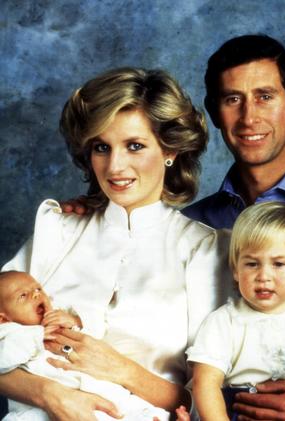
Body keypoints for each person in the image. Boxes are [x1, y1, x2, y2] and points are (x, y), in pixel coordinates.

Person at [0, 67, 232, 420]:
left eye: (135, 146)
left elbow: (208, 400)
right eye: (101, 147)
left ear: (170, 150)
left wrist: (121, 370)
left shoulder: (206, 251)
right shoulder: (58, 229)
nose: (115, 166)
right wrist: (50, 394)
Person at [182, 34, 285, 420]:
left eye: (265, 96)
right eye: (232, 99)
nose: (249, 118)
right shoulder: (192, 227)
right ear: (215, 113)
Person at [176, 201, 285, 421]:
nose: (263, 276)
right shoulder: (225, 321)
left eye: (278, 264)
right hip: (242, 410)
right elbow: (206, 383)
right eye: (252, 264)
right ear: (235, 270)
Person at [0, 270, 170, 420]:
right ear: (3, 318)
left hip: (100, 396)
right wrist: (37, 335)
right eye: (23, 295)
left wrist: (75, 322)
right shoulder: (10, 333)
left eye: (38, 289)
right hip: (42, 410)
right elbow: (4, 360)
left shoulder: (59, 315)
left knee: (137, 410)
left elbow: (96, 335)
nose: (36, 295)